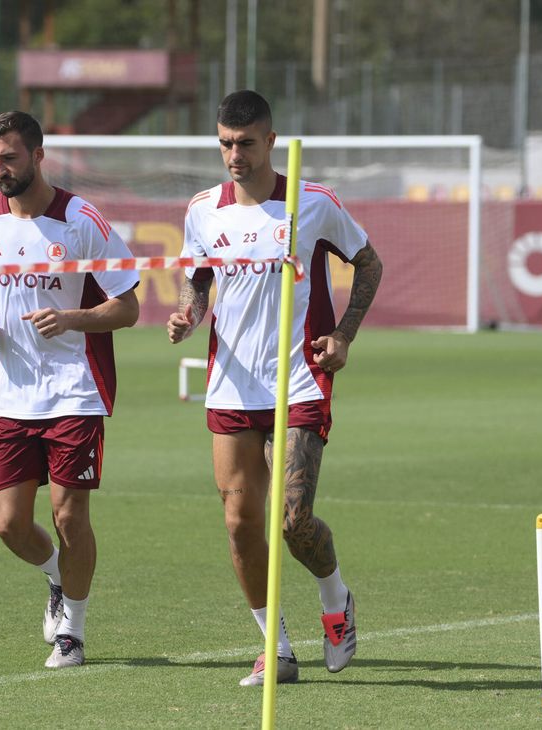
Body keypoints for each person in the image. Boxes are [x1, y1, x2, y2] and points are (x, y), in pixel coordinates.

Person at [166, 90, 383, 686]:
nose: (234, 154)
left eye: (245, 143)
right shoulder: (203, 209)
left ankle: (336, 601)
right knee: (240, 523)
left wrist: (344, 334)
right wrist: (189, 313)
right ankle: (277, 647)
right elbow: (199, 282)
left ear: (270, 141)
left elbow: (369, 264)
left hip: (299, 380)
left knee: (291, 520)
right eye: (225, 143)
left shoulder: (311, 203)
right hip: (231, 385)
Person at [0, 110, 140, 669]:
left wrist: (73, 319)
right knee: (8, 522)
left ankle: (74, 633)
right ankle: (57, 577)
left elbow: (128, 307)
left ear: (38, 155)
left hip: (73, 391)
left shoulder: (82, 220)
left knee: (68, 516)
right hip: (7, 392)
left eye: (9, 158)